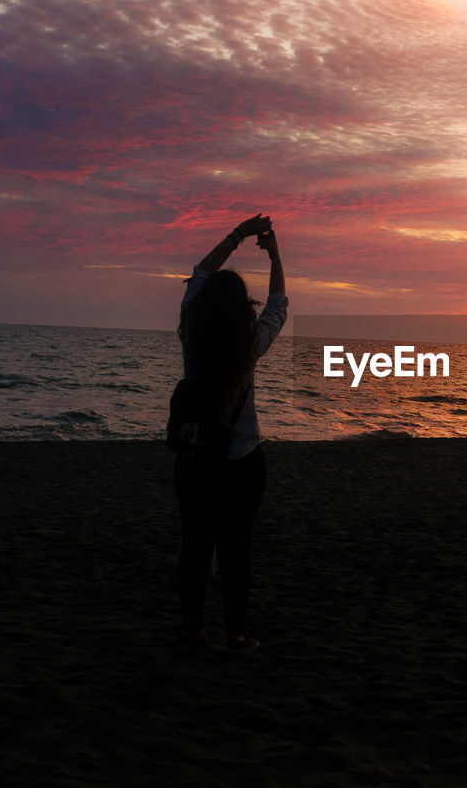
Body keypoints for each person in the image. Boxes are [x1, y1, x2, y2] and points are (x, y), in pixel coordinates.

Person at [174, 213, 286, 655]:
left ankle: (193, 632)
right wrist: (274, 253)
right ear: (243, 310)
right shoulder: (251, 342)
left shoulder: (190, 332)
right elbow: (278, 303)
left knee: (195, 546)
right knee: (237, 550)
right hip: (242, 462)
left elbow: (199, 274)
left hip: (195, 458)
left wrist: (238, 234)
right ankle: (237, 636)